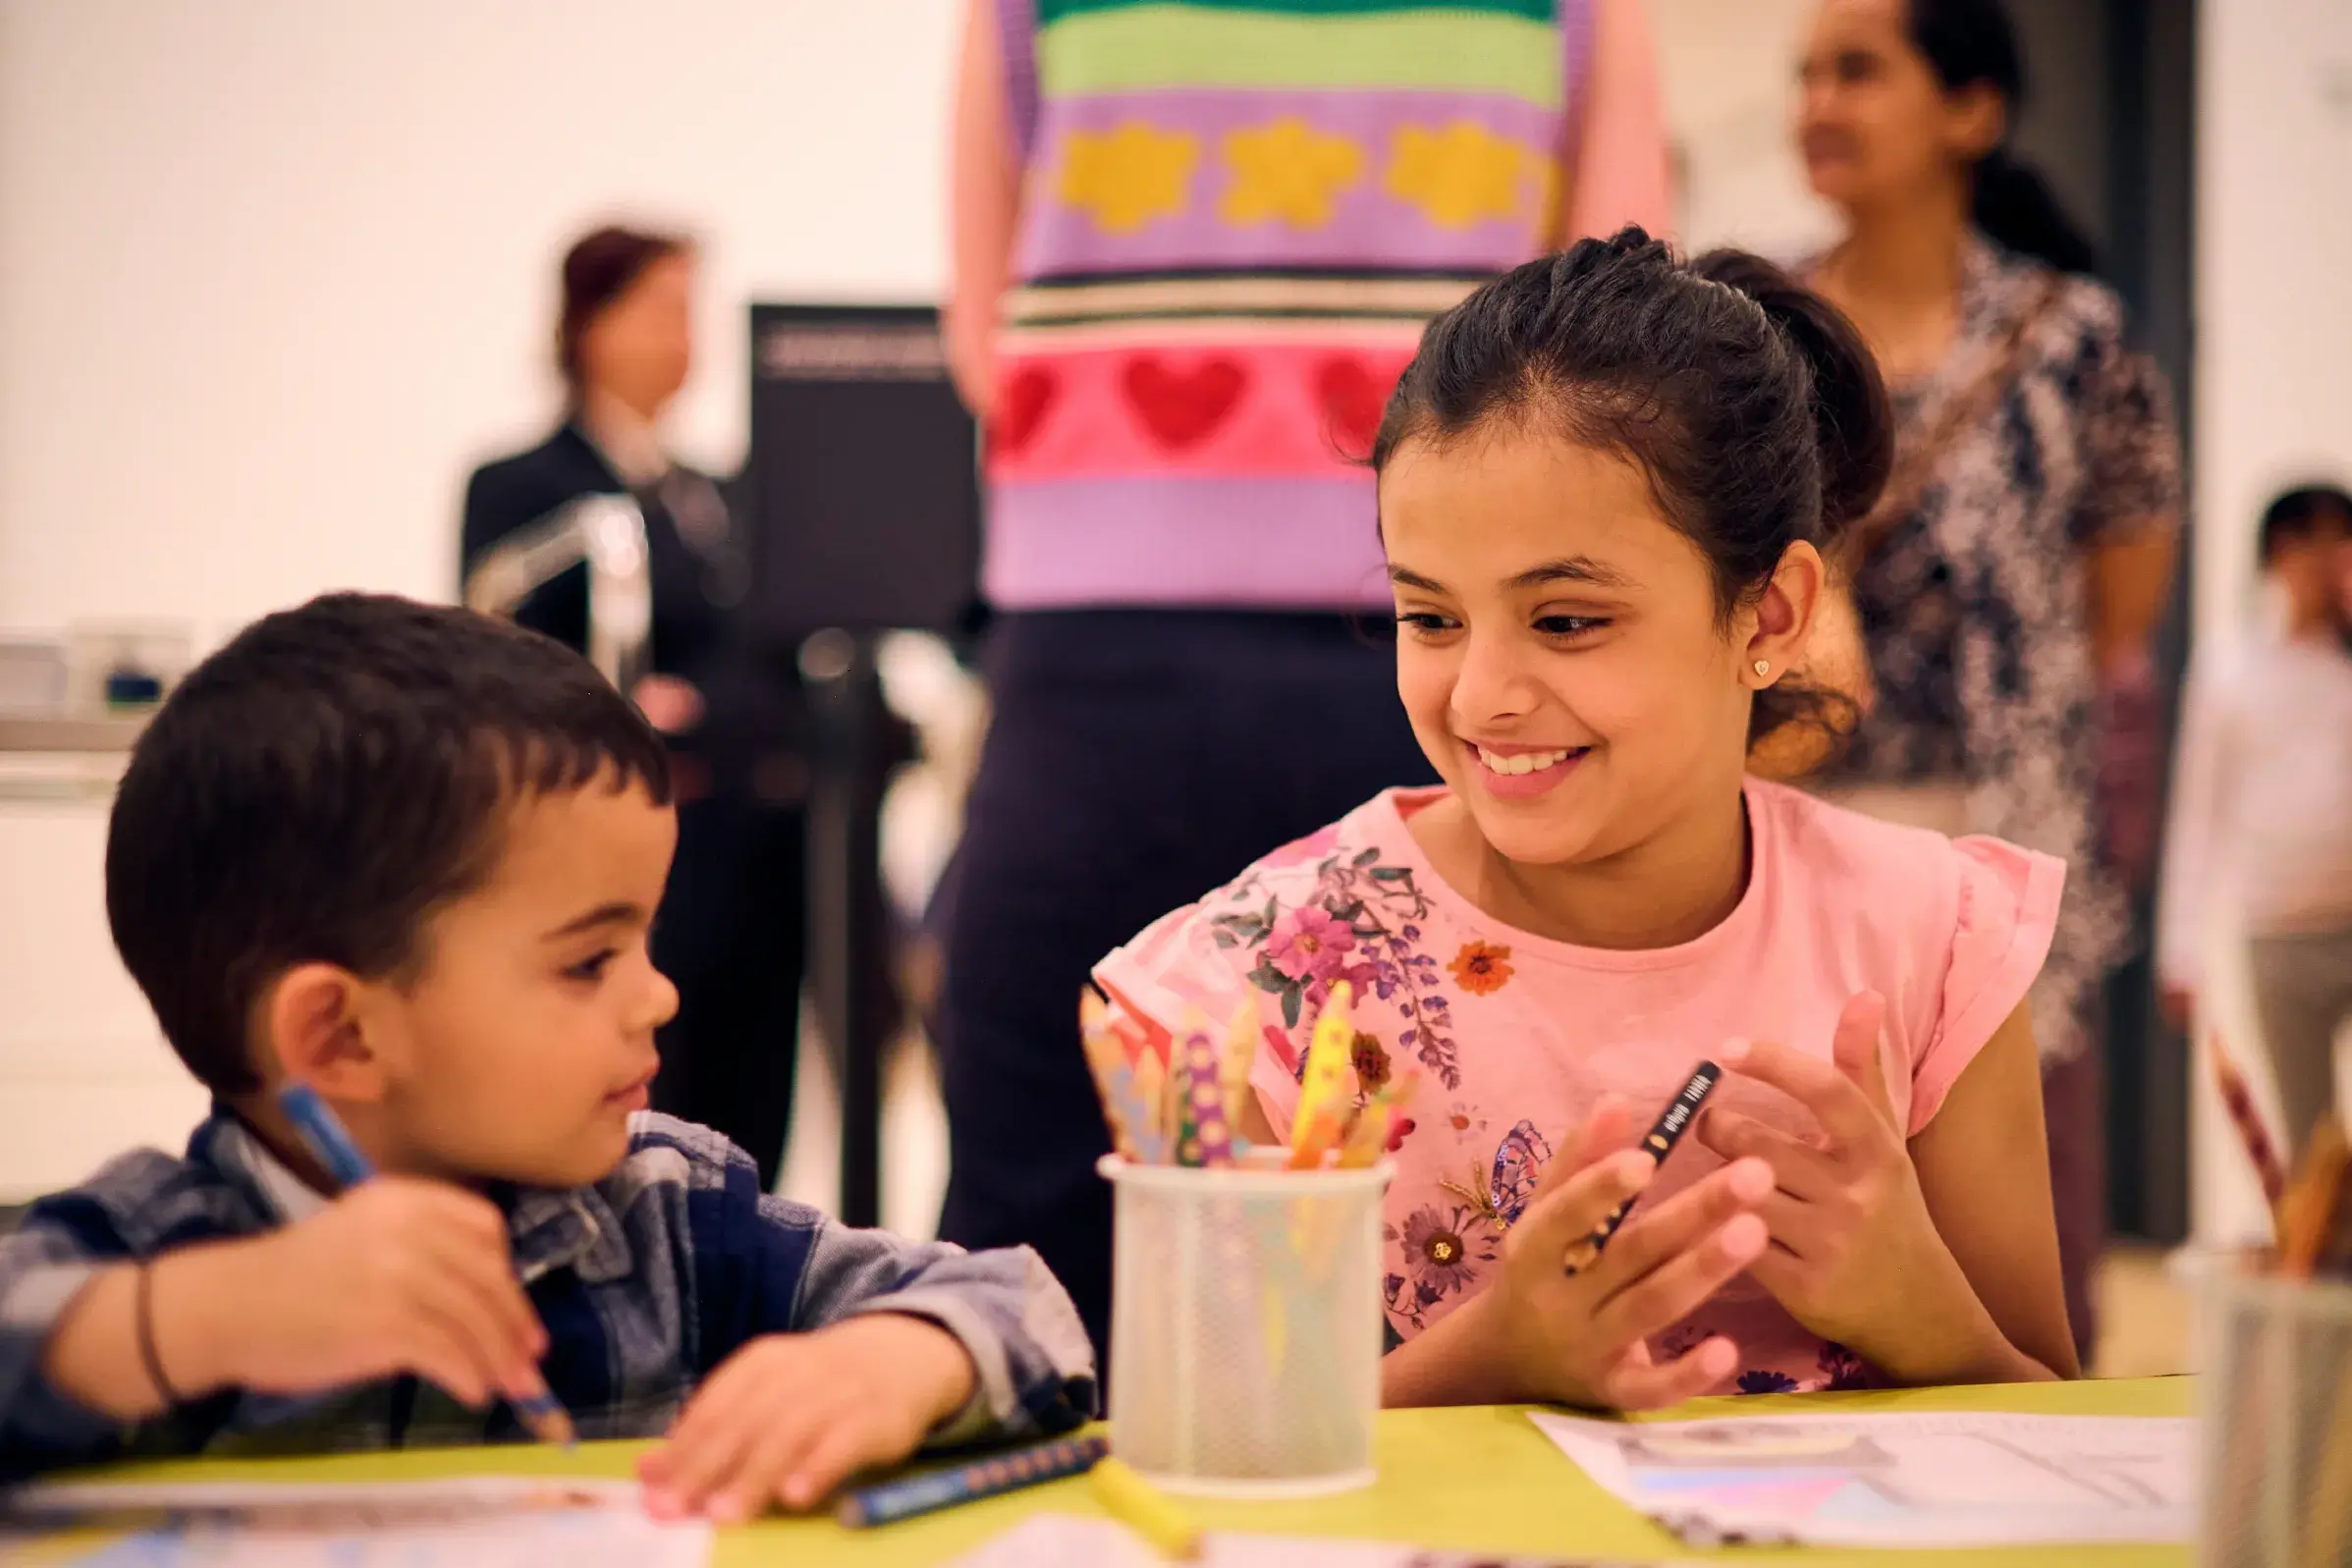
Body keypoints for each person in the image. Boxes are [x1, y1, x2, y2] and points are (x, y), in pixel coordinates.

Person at [1097, 233, 2078, 1405]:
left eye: (1563, 621)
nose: (1481, 696)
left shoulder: (1933, 939)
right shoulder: (1276, 978)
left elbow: (2052, 1420)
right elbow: (1214, 1448)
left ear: (1769, 613)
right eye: (1431, 617)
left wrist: (1922, 1310)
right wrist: (1496, 1353)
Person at [937, 0, 1676, 1365]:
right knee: (1424, 1172)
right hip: (1434, 620)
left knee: (1049, 1191)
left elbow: (983, 334)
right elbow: (1619, 313)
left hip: (1140, 624)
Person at [0, 596, 1093, 1508]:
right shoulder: (150, 1245)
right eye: (588, 961)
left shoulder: (668, 1215)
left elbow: (1029, 1307)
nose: (658, 993)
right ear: (340, 1033)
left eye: (645, 939)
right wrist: (203, 1319)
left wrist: (898, 1359)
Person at [1788, 0, 2181, 1359]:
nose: (1816, 106)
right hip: (1789, 820)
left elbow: (2118, 600)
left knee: (2017, 1211)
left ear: (1969, 109)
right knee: (1792, 1159)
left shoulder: (2070, 338)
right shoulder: (1751, 328)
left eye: (1856, 71)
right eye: (1803, 76)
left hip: (1994, 831)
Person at [462, 227, 807, 1189]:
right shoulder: (525, 489)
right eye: (659, 310)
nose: (684, 338)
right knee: (655, 1102)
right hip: (638, 851)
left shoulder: (722, 491)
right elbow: (503, 659)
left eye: (692, 313)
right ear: (589, 324)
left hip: (759, 849)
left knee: (755, 1109)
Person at [2159, 486, 2352, 1162]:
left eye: (2341, 540)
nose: (2327, 560)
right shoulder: (2228, 665)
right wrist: (2179, 947)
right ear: (2276, 553)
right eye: (2311, 541)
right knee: (2310, 1138)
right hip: (2277, 931)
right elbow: (2196, 809)